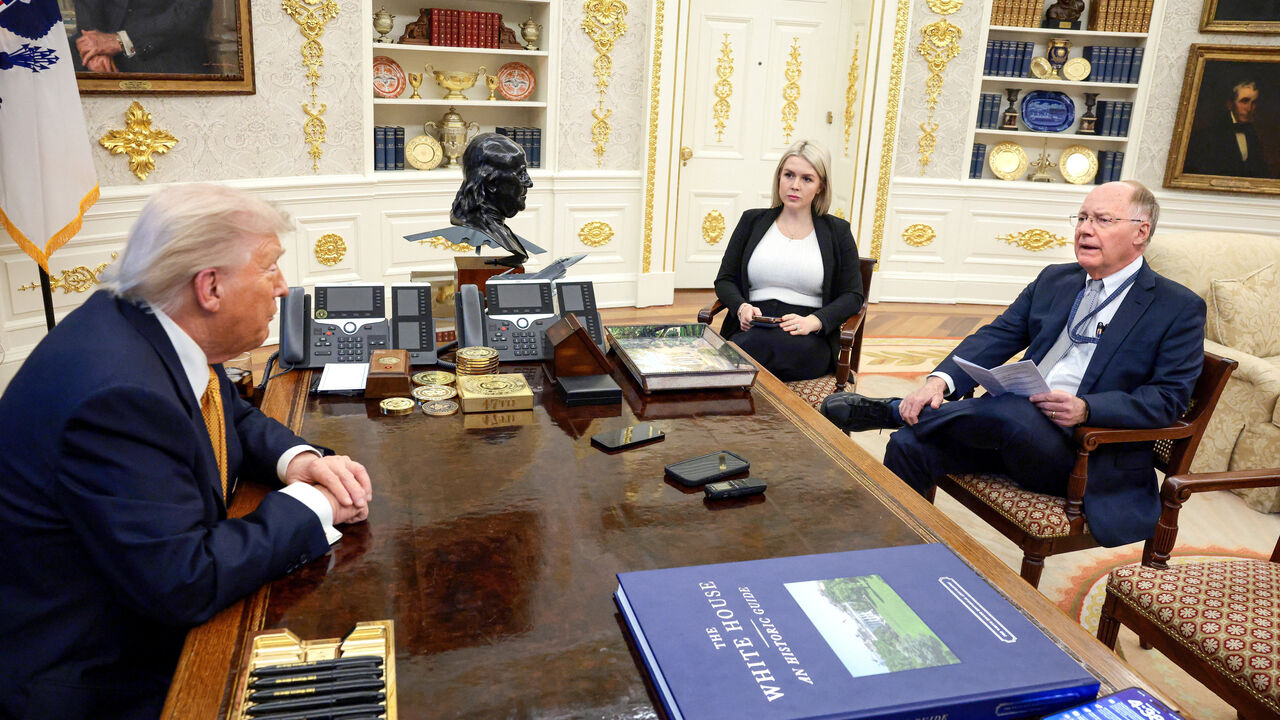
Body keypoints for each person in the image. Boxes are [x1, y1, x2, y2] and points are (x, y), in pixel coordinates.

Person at [0, 184, 373, 719]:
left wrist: (301, 461)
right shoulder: (117, 397)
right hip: (100, 678)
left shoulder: (152, 322)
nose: (283, 287)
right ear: (210, 287)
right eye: (269, 266)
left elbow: (227, 411)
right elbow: (183, 581)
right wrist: (316, 505)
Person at [820, 180, 1205, 548]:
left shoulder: (1177, 307)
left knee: (1011, 410)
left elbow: (1167, 399)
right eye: (1082, 218)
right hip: (1006, 430)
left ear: (1140, 232)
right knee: (909, 445)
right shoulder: (1056, 279)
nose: (1085, 229)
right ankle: (900, 554)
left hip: (1084, 454)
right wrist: (938, 382)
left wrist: (1087, 408)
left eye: (1102, 220)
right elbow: (998, 335)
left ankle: (891, 412)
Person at [713, 140, 864, 382]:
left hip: (807, 335)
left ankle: (732, 381)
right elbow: (725, 280)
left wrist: (815, 321)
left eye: (807, 179)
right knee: (750, 346)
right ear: (779, 178)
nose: (795, 185)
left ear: (821, 187)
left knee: (741, 355)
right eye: (789, 175)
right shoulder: (751, 221)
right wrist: (741, 307)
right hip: (753, 327)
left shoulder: (838, 231)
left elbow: (853, 296)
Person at [450, 132, 540, 266]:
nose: (529, 182)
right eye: (521, 174)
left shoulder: (499, 228)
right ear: (491, 183)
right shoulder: (485, 228)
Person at [72, 0, 212, 74]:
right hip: (99, 58)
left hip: (164, 54)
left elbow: (192, 10)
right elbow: (87, 6)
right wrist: (93, 50)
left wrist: (123, 40)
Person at [1183, 78, 1271, 178]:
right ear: (1230, 104)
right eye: (1244, 101)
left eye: (1253, 102)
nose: (1249, 108)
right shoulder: (1208, 136)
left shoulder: (1251, 133)